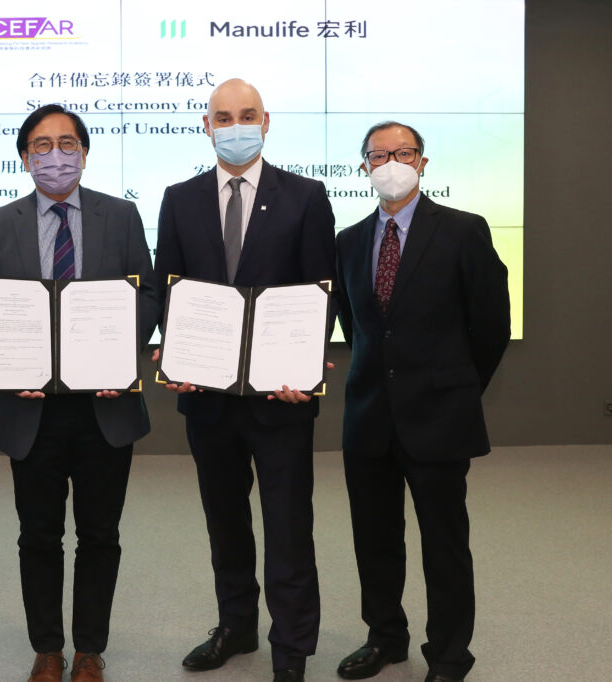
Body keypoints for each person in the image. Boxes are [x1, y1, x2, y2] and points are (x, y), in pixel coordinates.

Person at [0, 104, 159, 682]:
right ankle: (48, 648)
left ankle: (89, 650)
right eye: (42, 145)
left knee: (101, 533)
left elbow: (146, 295)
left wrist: (118, 352)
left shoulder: (121, 216)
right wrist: (5, 364)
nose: (56, 155)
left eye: (67, 143)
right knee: (39, 535)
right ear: (25, 156)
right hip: (32, 410)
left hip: (105, 406)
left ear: (85, 152)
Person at [152, 79, 335, 682]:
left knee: (288, 526)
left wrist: (305, 365)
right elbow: (167, 288)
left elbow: (320, 293)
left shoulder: (307, 196)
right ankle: (236, 626)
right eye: (223, 117)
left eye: (247, 115)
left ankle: (292, 648)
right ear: (207, 126)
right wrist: (170, 353)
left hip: (280, 400)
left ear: (266, 121)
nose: (235, 126)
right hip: (206, 399)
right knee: (224, 520)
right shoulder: (179, 199)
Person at [333, 122, 510, 682]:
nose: (391, 162)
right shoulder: (349, 241)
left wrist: (455, 387)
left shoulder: (463, 230)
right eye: (378, 154)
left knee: (444, 544)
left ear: (423, 162)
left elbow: (492, 325)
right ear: (363, 166)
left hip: (438, 417)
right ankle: (385, 637)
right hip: (368, 418)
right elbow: (356, 326)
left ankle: (451, 654)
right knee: (375, 540)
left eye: (402, 152)